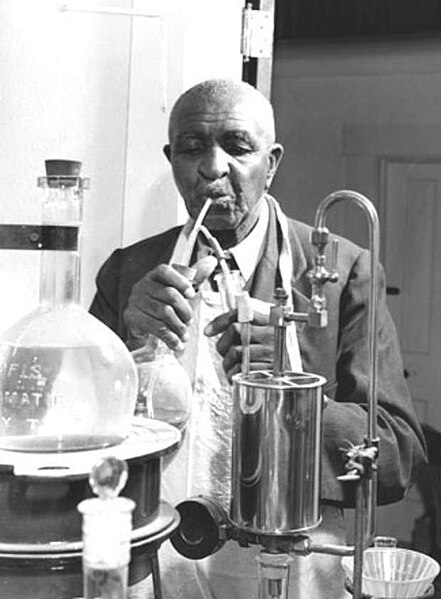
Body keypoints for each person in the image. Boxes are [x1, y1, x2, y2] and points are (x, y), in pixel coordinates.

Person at [90, 78, 426, 599]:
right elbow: (78, 438)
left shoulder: (343, 271)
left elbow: (398, 457)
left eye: (238, 147)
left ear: (271, 163)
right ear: (171, 157)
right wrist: (124, 349)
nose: (213, 167)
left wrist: (291, 396)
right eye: (193, 148)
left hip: (292, 569)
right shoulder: (128, 273)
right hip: (155, 565)